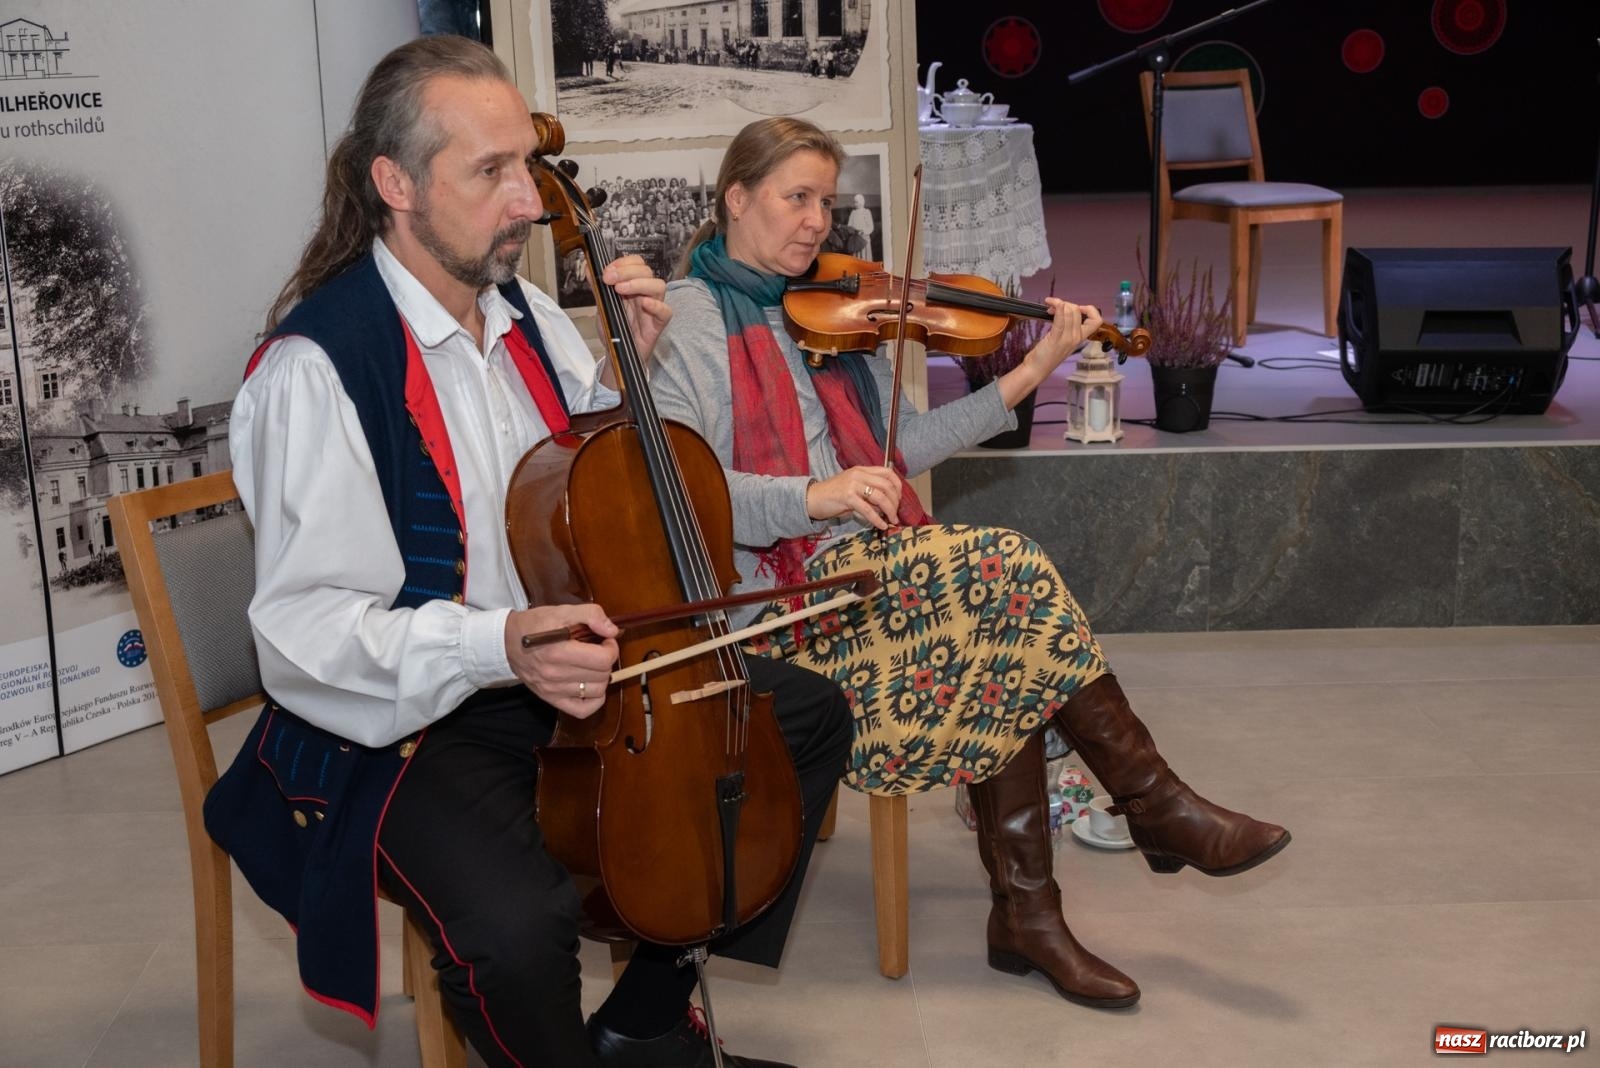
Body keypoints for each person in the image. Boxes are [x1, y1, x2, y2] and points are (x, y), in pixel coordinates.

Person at [207, 41, 850, 1068]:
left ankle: (641, 1020)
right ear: (396, 185)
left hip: (554, 669)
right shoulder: (316, 372)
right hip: (409, 717)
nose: (531, 202)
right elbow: (306, 635)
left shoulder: (529, 314)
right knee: (517, 925)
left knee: (799, 722)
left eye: (529, 168)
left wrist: (624, 375)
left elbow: (566, 487)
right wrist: (498, 644)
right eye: (492, 172)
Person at [650, 117, 1290, 1010]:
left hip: (873, 575)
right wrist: (816, 496)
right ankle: (1143, 814)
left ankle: (1039, 908)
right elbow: (690, 491)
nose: (815, 222)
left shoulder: (835, 308)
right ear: (736, 198)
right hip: (776, 611)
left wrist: (1036, 372)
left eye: (826, 203)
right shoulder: (682, 323)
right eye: (796, 197)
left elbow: (901, 446)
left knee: (1003, 618)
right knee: (1005, 571)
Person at [845, 193, 875, 257]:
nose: (855, 204)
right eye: (854, 202)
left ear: (861, 202)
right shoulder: (853, 213)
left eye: (856, 202)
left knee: (864, 256)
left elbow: (871, 227)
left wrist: (863, 231)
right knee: (856, 256)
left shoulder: (866, 212)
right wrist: (852, 230)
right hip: (855, 239)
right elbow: (849, 225)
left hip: (864, 239)